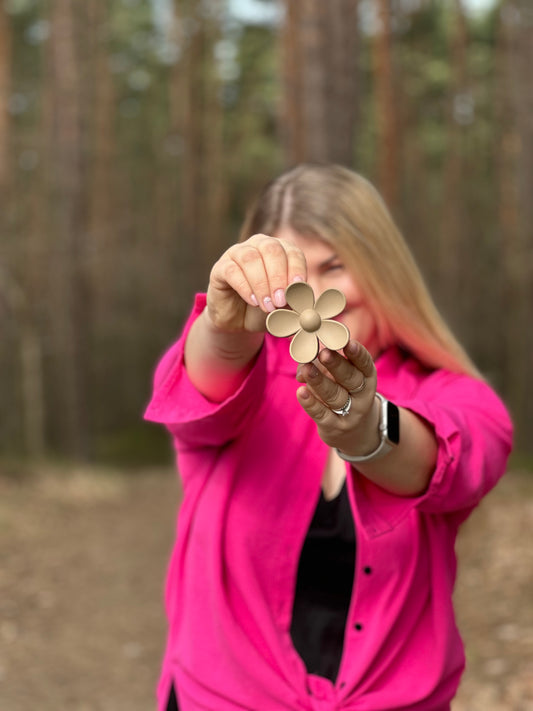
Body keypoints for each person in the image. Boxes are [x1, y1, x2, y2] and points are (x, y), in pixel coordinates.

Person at [144, 164, 513, 711]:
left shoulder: (454, 394)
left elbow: (449, 461)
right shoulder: (245, 377)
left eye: (335, 266)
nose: (311, 295)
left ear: (381, 268)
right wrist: (223, 326)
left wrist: (366, 429)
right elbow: (199, 390)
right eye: (292, 277)